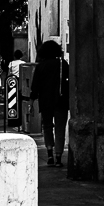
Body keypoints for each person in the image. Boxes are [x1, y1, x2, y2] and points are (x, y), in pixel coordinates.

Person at [31, 38, 70, 166]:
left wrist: (32, 101)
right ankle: (58, 156)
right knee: (60, 129)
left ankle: (49, 154)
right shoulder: (62, 64)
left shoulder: (40, 66)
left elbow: (34, 86)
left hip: (45, 101)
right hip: (61, 100)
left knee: (47, 127)